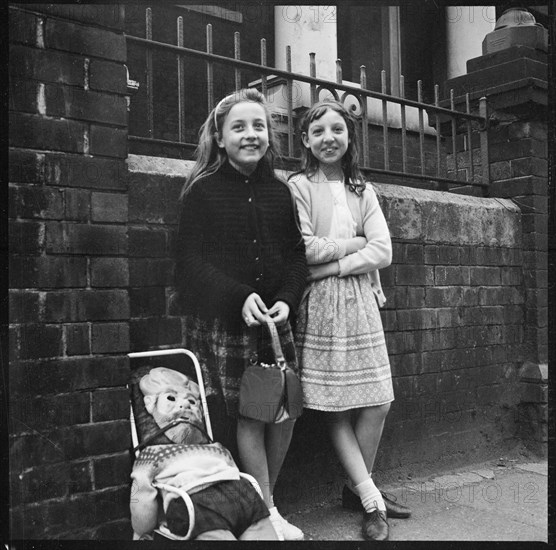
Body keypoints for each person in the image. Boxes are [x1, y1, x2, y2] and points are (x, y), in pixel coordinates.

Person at [174, 88, 308, 541]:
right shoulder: (202, 192)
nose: (250, 135)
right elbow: (190, 264)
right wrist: (239, 297)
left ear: (269, 136)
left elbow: (296, 257)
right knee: (251, 415)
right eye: (239, 127)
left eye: (259, 127)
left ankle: (270, 502)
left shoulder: (279, 191)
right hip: (230, 323)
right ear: (219, 135)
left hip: (276, 322)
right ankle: (267, 510)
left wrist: (288, 299)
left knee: (285, 411)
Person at [288, 100, 410, 541]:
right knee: (335, 405)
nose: (328, 138)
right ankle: (371, 499)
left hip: (359, 298)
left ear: (349, 137)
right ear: (305, 140)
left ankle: (358, 488)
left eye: (337, 129)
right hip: (319, 303)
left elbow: (384, 251)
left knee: (378, 399)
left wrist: (335, 262)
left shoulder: (363, 190)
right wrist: (353, 241)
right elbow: (305, 249)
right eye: (318, 131)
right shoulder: (298, 186)